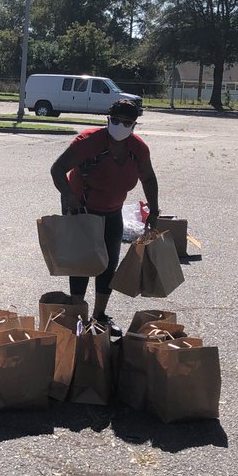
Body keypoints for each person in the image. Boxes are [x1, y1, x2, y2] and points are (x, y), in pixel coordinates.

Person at [50, 98, 159, 331]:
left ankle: (100, 316)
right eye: (116, 120)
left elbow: (148, 178)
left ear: (134, 125)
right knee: (83, 262)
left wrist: (154, 209)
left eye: (127, 122)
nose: (120, 125)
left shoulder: (137, 149)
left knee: (108, 264)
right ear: (108, 120)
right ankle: (78, 312)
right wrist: (68, 195)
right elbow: (57, 169)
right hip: (82, 209)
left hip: (112, 210)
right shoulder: (88, 142)